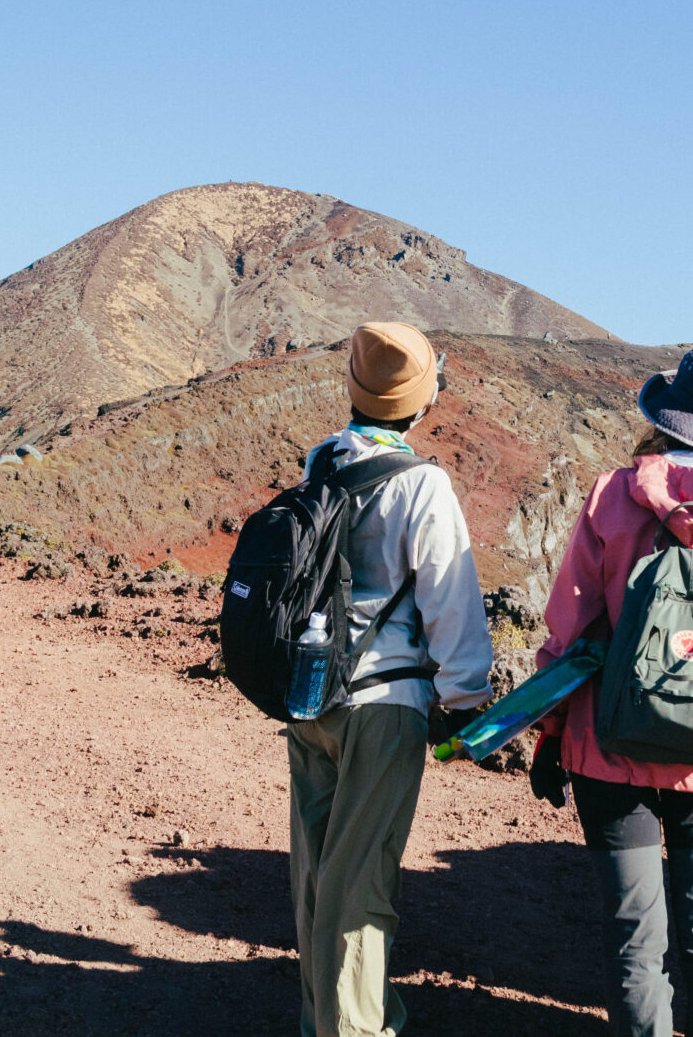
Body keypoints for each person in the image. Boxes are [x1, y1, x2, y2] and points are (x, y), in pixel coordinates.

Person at [529, 345, 693, 1037]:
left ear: (669, 421)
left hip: (606, 752)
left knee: (633, 943)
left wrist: (551, 731)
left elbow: (571, 629)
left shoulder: (611, 499)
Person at [288, 321, 493, 1037]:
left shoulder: (322, 462)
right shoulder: (422, 485)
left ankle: (330, 1019)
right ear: (422, 399)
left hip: (310, 693)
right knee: (363, 884)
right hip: (387, 701)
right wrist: (468, 702)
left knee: (317, 874)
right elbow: (452, 601)